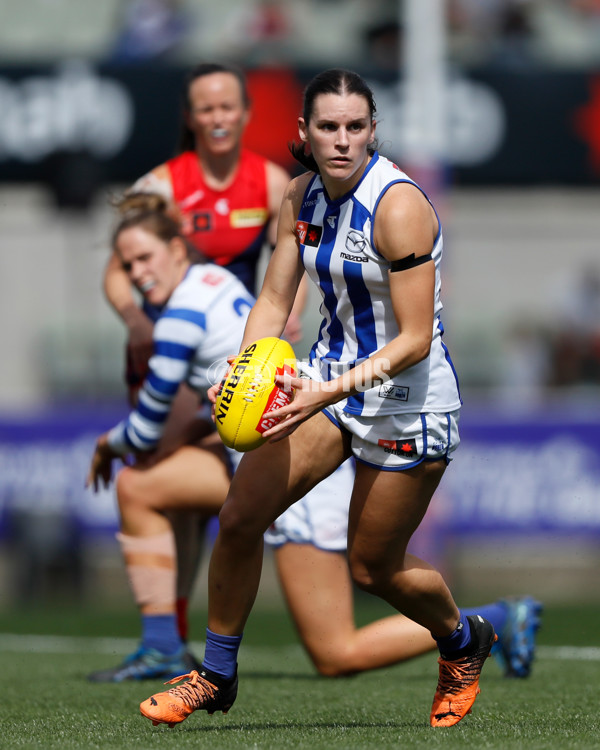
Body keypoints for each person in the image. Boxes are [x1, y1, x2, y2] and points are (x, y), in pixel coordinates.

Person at [139, 68, 504, 730]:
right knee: (242, 514)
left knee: (373, 569)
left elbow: (416, 339)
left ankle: (462, 639)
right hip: (329, 383)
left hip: (408, 402)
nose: (342, 140)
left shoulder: (398, 206)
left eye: (356, 127)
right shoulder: (300, 197)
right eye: (329, 127)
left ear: (372, 131)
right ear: (304, 133)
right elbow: (275, 298)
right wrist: (240, 367)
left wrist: (320, 392)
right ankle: (215, 674)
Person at [87, 194, 542, 687]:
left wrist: (108, 444)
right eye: (126, 264)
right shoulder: (213, 284)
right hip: (267, 448)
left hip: (296, 457)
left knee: (336, 652)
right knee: (146, 490)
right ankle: (166, 649)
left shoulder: (180, 315)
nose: (136, 273)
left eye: (144, 258)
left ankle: (493, 620)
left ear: (178, 249)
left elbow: (150, 426)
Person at [101, 62, 301, 643]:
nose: (216, 118)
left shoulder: (268, 183)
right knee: (162, 486)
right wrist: (138, 322)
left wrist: (287, 318)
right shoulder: (162, 184)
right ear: (190, 117)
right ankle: (170, 634)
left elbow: (293, 261)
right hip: (167, 356)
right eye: (205, 109)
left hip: (231, 355)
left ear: (245, 114)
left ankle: (176, 635)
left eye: (226, 107)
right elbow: (117, 272)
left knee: (185, 487)